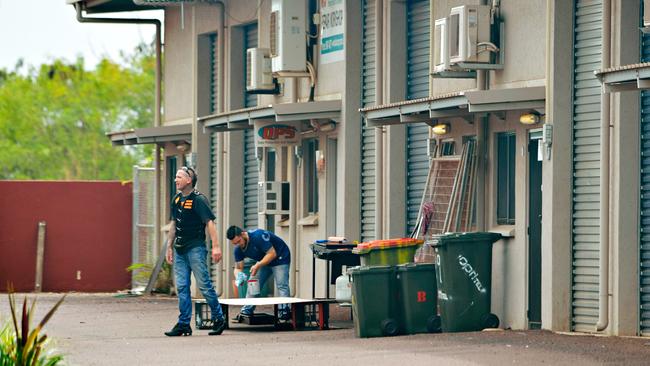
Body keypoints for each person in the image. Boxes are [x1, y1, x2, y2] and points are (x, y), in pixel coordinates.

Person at [164, 166, 226, 337]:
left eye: (179, 177)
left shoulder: (199, 199)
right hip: (179, 250)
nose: (175, 180)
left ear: (189, 180)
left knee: (204, 285)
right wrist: (169, 246)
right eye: (175, 177)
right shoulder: (176, 199)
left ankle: (219, 319)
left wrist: (216, 246)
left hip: (195, 248)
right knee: (182, 287)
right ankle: (184, 324)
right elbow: (174, 225)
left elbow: (210, 223)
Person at [226, 225, 292, 320]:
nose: (238, 244)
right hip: (264, 260)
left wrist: (258, 265)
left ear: (242, 234)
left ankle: (284, 311)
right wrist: (239, 276)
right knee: (253, 282)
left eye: (239, 241)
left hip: (280, 256)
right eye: (234, 243)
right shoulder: (238, 248)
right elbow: (238, 267)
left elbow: (272, 253)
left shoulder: (257, 236)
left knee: (282, 285)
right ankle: (247, 310)